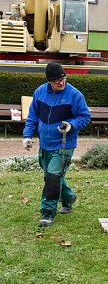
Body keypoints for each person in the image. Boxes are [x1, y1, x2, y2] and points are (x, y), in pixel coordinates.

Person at [23, 62, 91, 226]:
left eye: (63, 78)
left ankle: (47, 212)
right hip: (45, 144)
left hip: (64, 144)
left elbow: (85, 117)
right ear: (49, 82)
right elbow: (32, 117)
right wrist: (27, 136)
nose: (61, 83)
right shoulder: (39, 93)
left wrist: (71, 125)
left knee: (53, 178)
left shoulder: (74, 95)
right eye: (56, 81)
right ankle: (68, 197)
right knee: (51, 176)